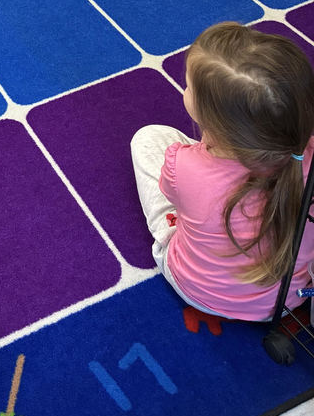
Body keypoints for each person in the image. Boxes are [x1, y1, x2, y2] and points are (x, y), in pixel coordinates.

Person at [131, 22, 314, 321]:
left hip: (196, 290)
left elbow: (172, 193)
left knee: (148, 139)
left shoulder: (184, 166)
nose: (184, 89)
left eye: (188, 86)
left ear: (212, 119)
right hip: (285, 303)